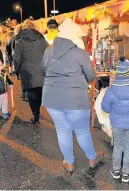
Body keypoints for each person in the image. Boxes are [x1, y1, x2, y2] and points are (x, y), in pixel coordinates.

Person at [42, 18, 103, 173]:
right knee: (82, 130)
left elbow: (43, 69)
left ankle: (69, 163)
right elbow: (90, 76)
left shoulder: (48, 50)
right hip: (75, 99)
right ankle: (92, 158)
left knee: (63, 130)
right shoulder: (80, 53)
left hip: (52, 98)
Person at [14, 21, 49, 124]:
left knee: (31, 94)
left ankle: (36, 114)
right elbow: (48, 52)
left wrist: (16, 71)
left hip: (27, 71)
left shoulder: (19, 42)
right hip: (41, 69)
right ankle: (38, 110)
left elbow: (17, 59)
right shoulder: (41, 39)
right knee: (39, 91)